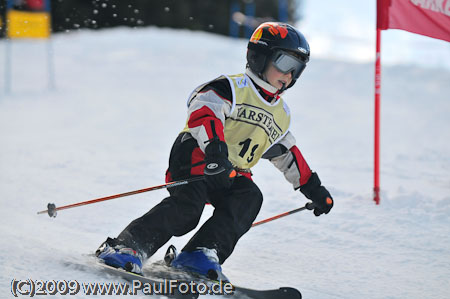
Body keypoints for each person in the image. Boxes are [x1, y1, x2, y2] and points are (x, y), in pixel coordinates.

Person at [96, 22, 333, 279]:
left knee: (249, 198)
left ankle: (200, 252)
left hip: (233, 171)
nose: (289, 75)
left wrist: (313, 188)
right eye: (285, 63)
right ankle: (128, 245)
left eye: (297, 69)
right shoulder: (232, 88)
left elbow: (286, 153)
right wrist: (216, 153)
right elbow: (204, 112)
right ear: (260, 56)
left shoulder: (281, 113)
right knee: (188, 209)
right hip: (197, 154)